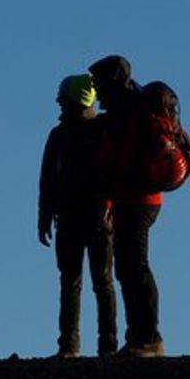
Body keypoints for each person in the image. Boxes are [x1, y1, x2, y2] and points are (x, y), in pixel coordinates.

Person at [88, 55, 165, 358]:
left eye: (99, 83)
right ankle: (140, 337)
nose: (96, 90)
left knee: (134, 267)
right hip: (137, 199)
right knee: (129, 268)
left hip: (137, 199)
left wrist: (108, 199)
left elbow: (115, 163)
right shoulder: (128, 108)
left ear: (111, 82)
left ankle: (148, 339)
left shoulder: (126, 114)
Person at [38, 74, 118, 359]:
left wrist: (44, 215)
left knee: (73, 282)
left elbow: (47, 179)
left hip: (73, 218)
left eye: (62, 97)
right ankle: (107, 347)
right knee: (102, 283)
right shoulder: (104, 129)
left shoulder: (60, 135)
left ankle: (70, 346)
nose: (58, 101)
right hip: (99, 219)